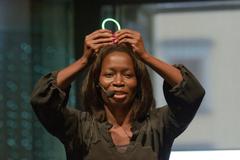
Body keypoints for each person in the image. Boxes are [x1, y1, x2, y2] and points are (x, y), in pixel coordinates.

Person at [30, 29, 205, 160]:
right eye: (109, 74)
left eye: (128, 75)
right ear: (97, 83)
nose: (119, 82)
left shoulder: (159, 126)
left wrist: (145, 56)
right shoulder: (79, 128)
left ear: (138, 83)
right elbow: (42, 99)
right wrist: (85, 60)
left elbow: (192, 92)